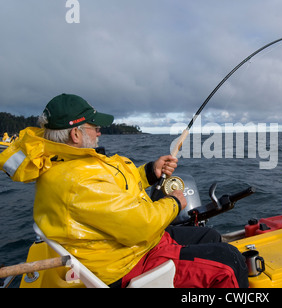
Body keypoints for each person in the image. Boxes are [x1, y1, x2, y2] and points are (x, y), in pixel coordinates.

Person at [0, 93, 248, 288]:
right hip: (126, 263)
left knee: (210, 236)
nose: (99, 131)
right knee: (230, 260)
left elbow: (112, 193)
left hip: (125, 248)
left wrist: (151, 172)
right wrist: (174, 203)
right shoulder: (77, 181)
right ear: (76, 134)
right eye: (94, 127)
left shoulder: (69, 163)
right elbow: (140, 227)